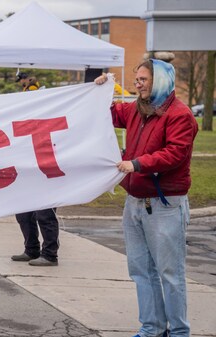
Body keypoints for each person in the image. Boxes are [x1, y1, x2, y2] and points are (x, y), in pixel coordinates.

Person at [95, 59, 197, 337]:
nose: (137, 84)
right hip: (135, 202)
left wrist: (136, 164)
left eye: (143, 79)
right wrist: (98, 91)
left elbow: (175, 153)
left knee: (170, 274)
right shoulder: (137, 109)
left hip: (166, 205)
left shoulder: (179, 114)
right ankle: (151, 328)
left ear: (161, 80)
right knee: (141, 271)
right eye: (136, 79)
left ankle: (178, 332)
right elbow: (109, 112)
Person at [11, 75, 60, 267]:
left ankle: (50, 254)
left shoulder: (39, 97)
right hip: (27, 169)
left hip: (46, 169)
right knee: (23, 213)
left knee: (45, 213)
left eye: (23, 80)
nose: (22, 84)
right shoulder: (24, 104)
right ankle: (31, 249)